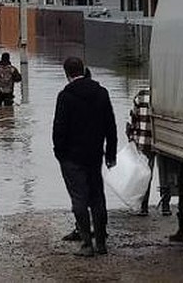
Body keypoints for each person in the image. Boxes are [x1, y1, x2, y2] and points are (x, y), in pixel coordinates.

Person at [52, 56, 117, 258]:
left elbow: (59, 129)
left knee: (79, 199)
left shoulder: (65, 96)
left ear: (67, 74)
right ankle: (102, 243)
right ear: (83, 69)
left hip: (72, 157)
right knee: (97, 197)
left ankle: (87, 243)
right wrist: (111, 153)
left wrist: (59, 152)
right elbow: (111, 126)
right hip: (95, 155)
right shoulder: (101, 93)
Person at [127, 87, 171, 216]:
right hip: (163, 142)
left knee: (145, 175)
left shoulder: (140, 95)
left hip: (144, 142)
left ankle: (144, 207)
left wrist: (132, 137)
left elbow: (133, 119)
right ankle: (166, 207)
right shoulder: (166, 94)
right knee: (165, 174)